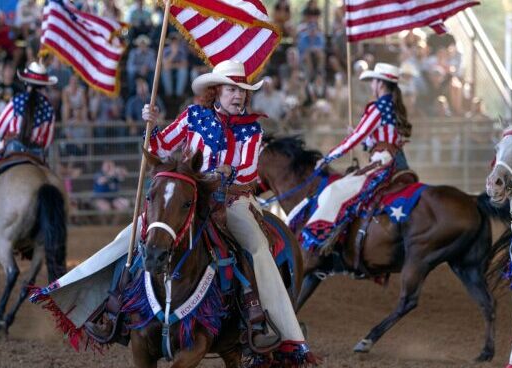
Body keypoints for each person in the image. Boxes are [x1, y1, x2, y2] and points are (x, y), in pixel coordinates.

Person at [138, 59, 310, 352]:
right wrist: (151, 124)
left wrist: (225, 175)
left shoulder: (251, 129)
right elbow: (160, 148)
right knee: (136, 231)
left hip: (233, 200)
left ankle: (267, 319)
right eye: (231, 88)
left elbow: (247, 172)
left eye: (242, 90)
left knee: (257, 247)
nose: (238, 95)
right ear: (215, 91)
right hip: (188, 199)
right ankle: (112, 300)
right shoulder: (193, 116)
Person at [302, 62, 413, 250]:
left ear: (380, 84)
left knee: (335, 191)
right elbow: (384, 139)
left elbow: (354, 139)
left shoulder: (377, 108)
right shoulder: (394, 108)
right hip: (397, 161)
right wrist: (364, 137)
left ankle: (322, 240)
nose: (371, 86)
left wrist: (328, 158)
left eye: (373, 82)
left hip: (382, 163)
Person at [0, 61, 57, 159]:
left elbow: (0, 126)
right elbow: (48, 140)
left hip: (14, 148)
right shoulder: (49, 108)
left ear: (26, 82)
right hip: (37, 153)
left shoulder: (17, 101)